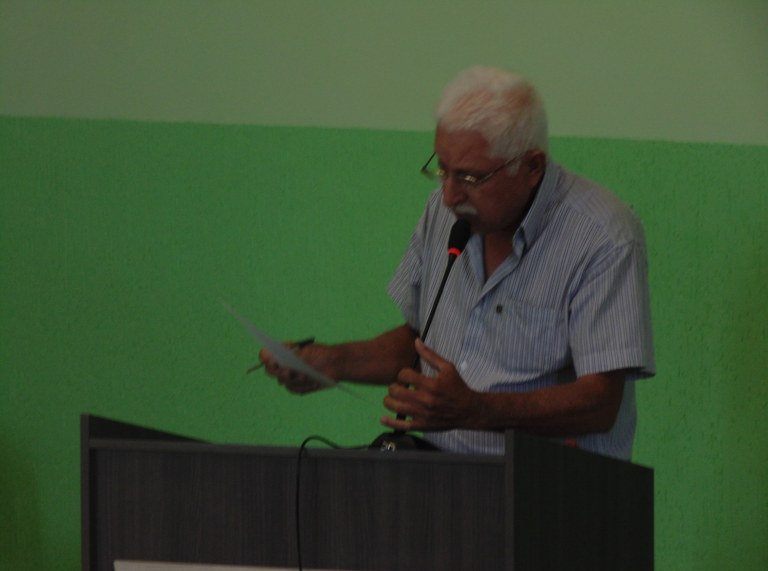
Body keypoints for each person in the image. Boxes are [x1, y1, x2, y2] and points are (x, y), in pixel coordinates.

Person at [259, 66, 654, 460]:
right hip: (442, 476)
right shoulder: (443, 212)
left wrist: (477, 410)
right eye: (442, 169)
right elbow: (421, 342)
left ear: (532, 167)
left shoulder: (603, 236)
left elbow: (600, 404)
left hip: (549, 485)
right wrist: (332, 362)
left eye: (470, 177)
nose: (449, 196)